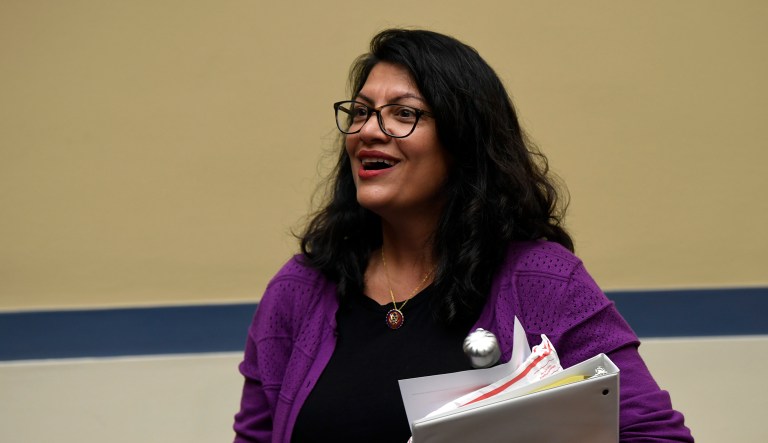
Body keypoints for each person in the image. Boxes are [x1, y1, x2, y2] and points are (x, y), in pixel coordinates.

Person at [233, 29, 693, 442]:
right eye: (361, 111)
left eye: (404, 113)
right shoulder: (299, 290)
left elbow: (654, 435)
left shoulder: (543, 281)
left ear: (462, 140)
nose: (369, 130)